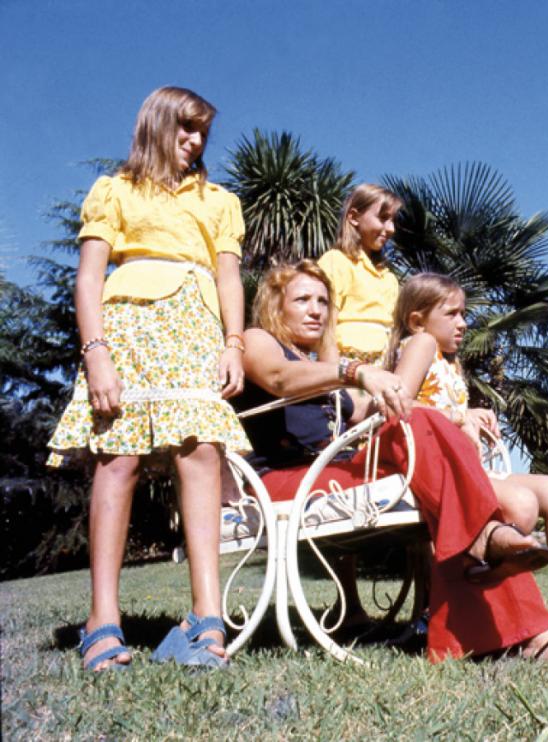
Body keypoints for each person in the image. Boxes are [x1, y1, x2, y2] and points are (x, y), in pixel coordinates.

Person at [236, 260, 548, 664]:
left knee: (418, 419)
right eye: (303, 300)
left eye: (324, 301)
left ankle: (496, 590)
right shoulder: (258, 339)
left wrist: (455, 414)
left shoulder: (315, 364)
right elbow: (276, 378)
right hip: (282, 479)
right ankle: (523, 614)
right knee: (417, 424)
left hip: (334, 471)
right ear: (276, 303)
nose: (317, 310)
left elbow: (373, 409)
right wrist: (357, 371)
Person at [47, 86, 251, 671]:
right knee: (120, 457)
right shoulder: (114, 191)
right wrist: (96, 355)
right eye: (185, 129)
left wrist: (233, 343)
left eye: (202, 134)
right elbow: (88, 279)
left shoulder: (219, 200)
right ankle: (102, 620)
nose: (194, 143)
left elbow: (229, 278)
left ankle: (205, 619)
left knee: (203, 453)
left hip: (196, 331)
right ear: (156, 126)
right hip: (130, 331)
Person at [383, 272, 548, 646]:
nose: (463, 323)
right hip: (433, 473)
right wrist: (458, 416)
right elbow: (395, 401)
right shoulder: (419, 343)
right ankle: (485, 597)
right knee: (521, 504)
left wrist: (470, 414)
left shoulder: (448, 361)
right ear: (417, 320)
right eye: (452, 313)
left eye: (464, 313)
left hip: (466, 469)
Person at [317, 184, 403, 364]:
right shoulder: (336, 261)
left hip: (383, 369)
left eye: (393, 220)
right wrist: (334, 381)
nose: (391, 228)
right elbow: (326, 327)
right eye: (383, 218)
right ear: (354, 217)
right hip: (347, 365)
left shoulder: (389, 278)